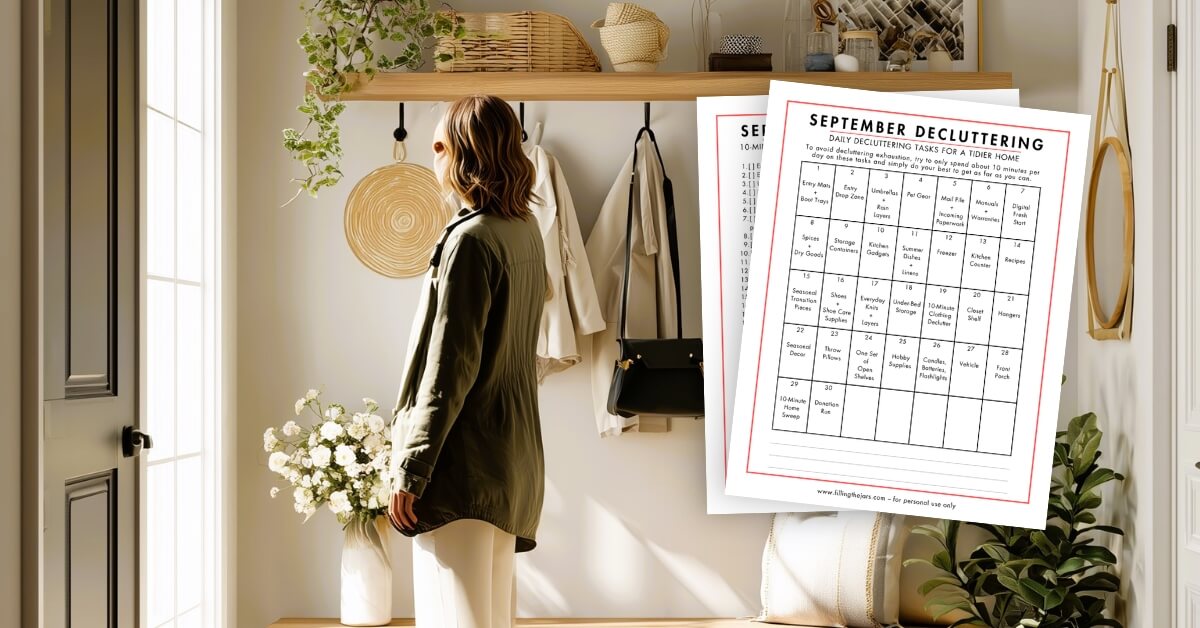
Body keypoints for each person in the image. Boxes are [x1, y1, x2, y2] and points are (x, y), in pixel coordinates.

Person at [388, 95, 547, 628]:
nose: (434, 157)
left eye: (440, 145)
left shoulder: (471, 240)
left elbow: (448, 370)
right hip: (510, 462)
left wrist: (412, 468)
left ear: (467, 152)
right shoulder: (522, 229)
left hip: (463, 466)